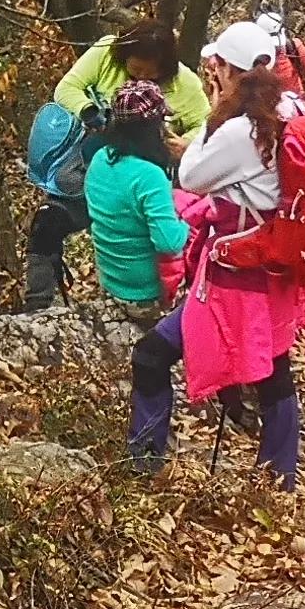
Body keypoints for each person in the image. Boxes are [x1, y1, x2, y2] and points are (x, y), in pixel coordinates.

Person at [144, 22, 305, 485]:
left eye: (217, 66)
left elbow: (191, 177)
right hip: (273, 267)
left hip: (235, 276)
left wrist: (215, 111)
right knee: (273, 365)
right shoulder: (292, 110)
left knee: (151, 355)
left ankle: (143, 461)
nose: (211, 71)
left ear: (229, 68)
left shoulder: (242, 130)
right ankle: (281, 472)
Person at [21, 17, 204, 311]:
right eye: (135, 69)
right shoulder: (106, 53)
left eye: (150, 72)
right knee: (47, 223)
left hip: (150, 182)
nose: (140, 76)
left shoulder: (187, 86)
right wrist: (89, 111)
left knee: (154, 235)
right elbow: (67, 88)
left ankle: (175, 301)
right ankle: (37, 307)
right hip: (94, 168)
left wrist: (184, 144)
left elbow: (205, 127)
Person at [79, 83, 196, 472]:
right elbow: (169, 241)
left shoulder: (100, 160)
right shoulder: (148, 175)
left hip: (110, 278)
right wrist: (189, 222)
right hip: (146, 292)